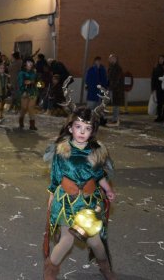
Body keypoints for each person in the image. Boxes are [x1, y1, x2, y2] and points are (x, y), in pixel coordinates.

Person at [43, 105, 116, 279]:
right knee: (67, 239)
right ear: (70, 128)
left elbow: (99, 175)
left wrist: (108, 190)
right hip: (66, 202)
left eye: (87, 128)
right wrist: (51, 196)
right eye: (78, 127)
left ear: (92, 131)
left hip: (88, 203)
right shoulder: (62, 150)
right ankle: (50, 272)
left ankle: (106, 269)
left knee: (96, 242)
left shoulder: (96, 152)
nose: (82, 132)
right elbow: (56, 176)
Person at [18, 57, 39, 130]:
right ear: (25, 64)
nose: (30, 64)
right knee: (24, 108)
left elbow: (40, 83)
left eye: (31, 62)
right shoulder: (21, 73)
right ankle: (21, 120)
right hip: (25, 92)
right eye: (28, 62)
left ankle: (32, 125)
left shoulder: (35, 72)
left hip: (33, 92)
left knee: (31, 107)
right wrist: (23, 91)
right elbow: (20, 83)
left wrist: (33, 82)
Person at [106, 54, 124, 127]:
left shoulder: (117, 68)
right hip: (113, 88)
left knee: (116, 104)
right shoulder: (111, 67)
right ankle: (114, 119)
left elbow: (116, 79)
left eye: (111, 58)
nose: (109, 60)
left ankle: (115, 119)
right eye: (109, 59)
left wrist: (112, 87)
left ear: (115, 59)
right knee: (114, 104)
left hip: (116, 90)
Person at [151, 55, 164, 122]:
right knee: (159, 103)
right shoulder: (156, 68)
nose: (160, 60)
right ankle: (159, 116)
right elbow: (153, 79)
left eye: (162, 59)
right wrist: (153, 88)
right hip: (158, 88)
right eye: (159, 59)